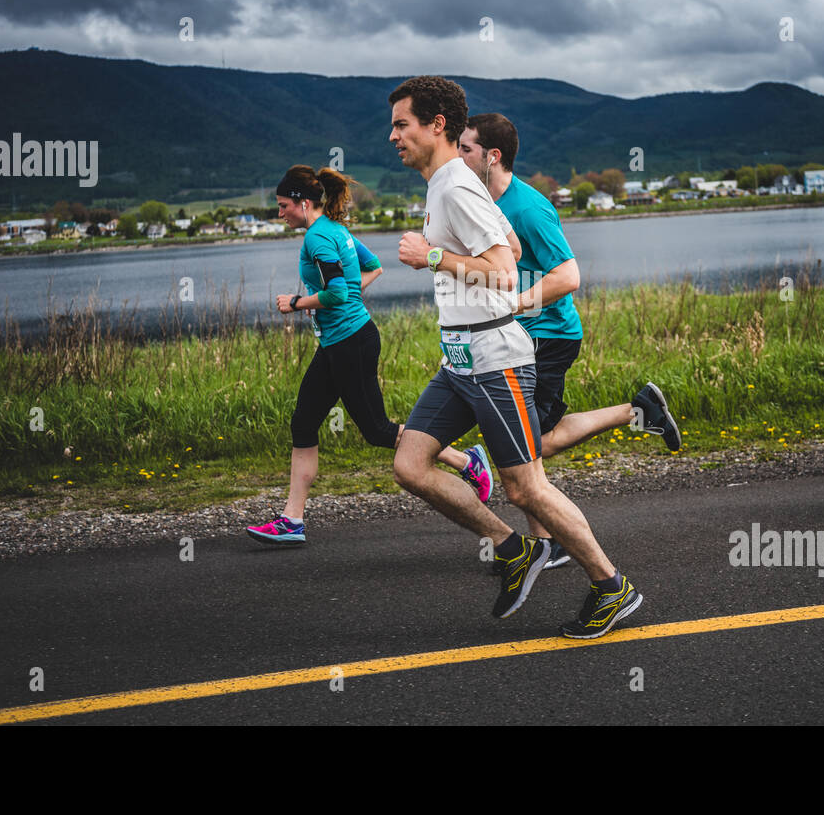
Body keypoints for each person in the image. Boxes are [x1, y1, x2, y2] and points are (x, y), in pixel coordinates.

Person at [388, 76, 642, 638]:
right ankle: (511, 548)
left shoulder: (454, 186)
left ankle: (610, 585)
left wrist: (432, 256)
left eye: (402, 124)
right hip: (459, 360)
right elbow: (514, 246)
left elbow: (504, 270)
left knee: (525, 487)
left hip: (495, 357)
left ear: (437, 126)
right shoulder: (447, 182)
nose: (393, 136)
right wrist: (452, 254)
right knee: (410, 464)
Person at [459, 113, 680, 571]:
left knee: (523, 447)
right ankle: (638, 412)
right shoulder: (482, 202)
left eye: (465, 149)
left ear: (491, 156)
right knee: (523, 444)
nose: (457, 156)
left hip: (548, 336)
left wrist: (515, 304)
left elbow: (569, 275)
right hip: (519, 336)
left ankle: (551, 541)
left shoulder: (528, 208)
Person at [245, 165, 493, 544]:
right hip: (337, 343)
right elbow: (373, 268)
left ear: (303, 202)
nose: (279, 213)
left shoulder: (318, 238)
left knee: (377, 430)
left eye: (282, 206)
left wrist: (297, 302)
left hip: (351, 344)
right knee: (304, 422)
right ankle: (291, 520)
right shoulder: (336, 230)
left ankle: (465, 461)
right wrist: (335, 301)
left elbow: (338, 294)